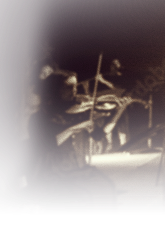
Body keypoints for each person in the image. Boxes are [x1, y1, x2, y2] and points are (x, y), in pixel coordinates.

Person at [27, 70, 131, 212]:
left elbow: (99, 135)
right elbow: (45, 146)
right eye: (68, 87)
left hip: (73, 169)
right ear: (54, 90)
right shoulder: (38, 119)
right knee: (85, 195)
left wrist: (118, 112)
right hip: (51, 173)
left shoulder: (75, 114)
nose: (74, 91)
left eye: (75, 86)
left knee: (107, 185)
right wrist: (72, 129)